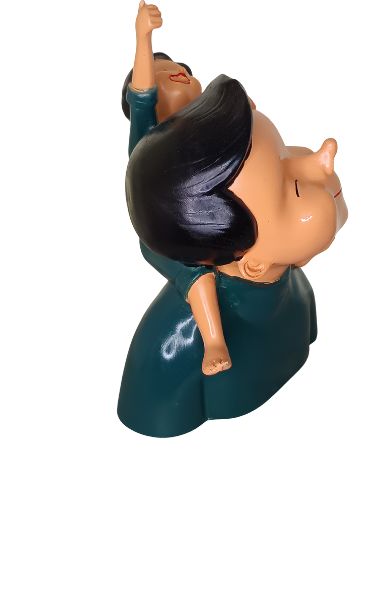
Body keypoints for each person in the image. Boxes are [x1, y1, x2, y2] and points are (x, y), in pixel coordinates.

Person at [118, 74, 348, 437]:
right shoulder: (168, 353)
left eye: (286, 152)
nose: (321, 162)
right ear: (254, 264)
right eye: (293, 188)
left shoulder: (299, 294)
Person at [123, 1, 233, 376]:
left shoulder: (204, 130)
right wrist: (143, 37)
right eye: (165, 73)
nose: (180, 73)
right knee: (195, 271)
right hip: (166, 231)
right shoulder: (150, 137)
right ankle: (214, 341)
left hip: (219, 215)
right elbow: (142, 95)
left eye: (184, 70)